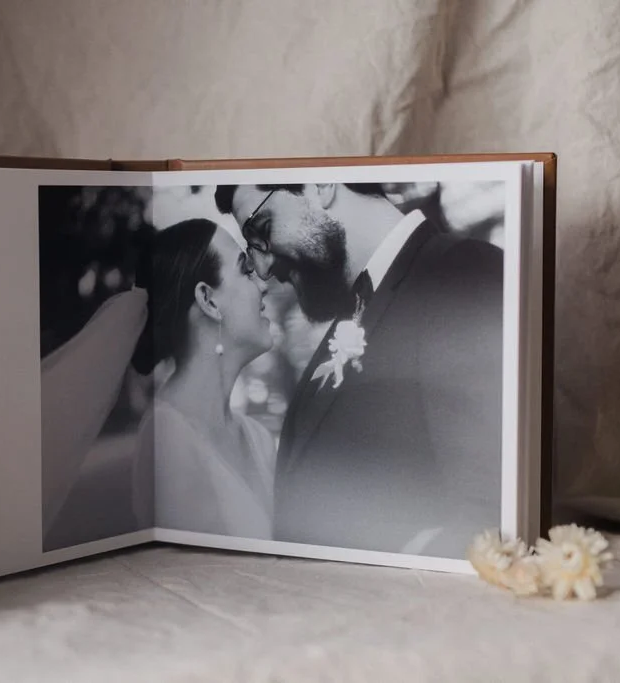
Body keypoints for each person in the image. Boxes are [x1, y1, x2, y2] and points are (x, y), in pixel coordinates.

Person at [214, 183, 504, 557]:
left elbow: (487, 519)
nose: (264, 267)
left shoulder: (463, 273)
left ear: (321, 185)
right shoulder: (358, 311)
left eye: (262, 229)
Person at [131, 218, 278, 539]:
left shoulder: (259, 439)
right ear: (208, 300)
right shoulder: (167, 442)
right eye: (244, 270)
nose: (264, 284)